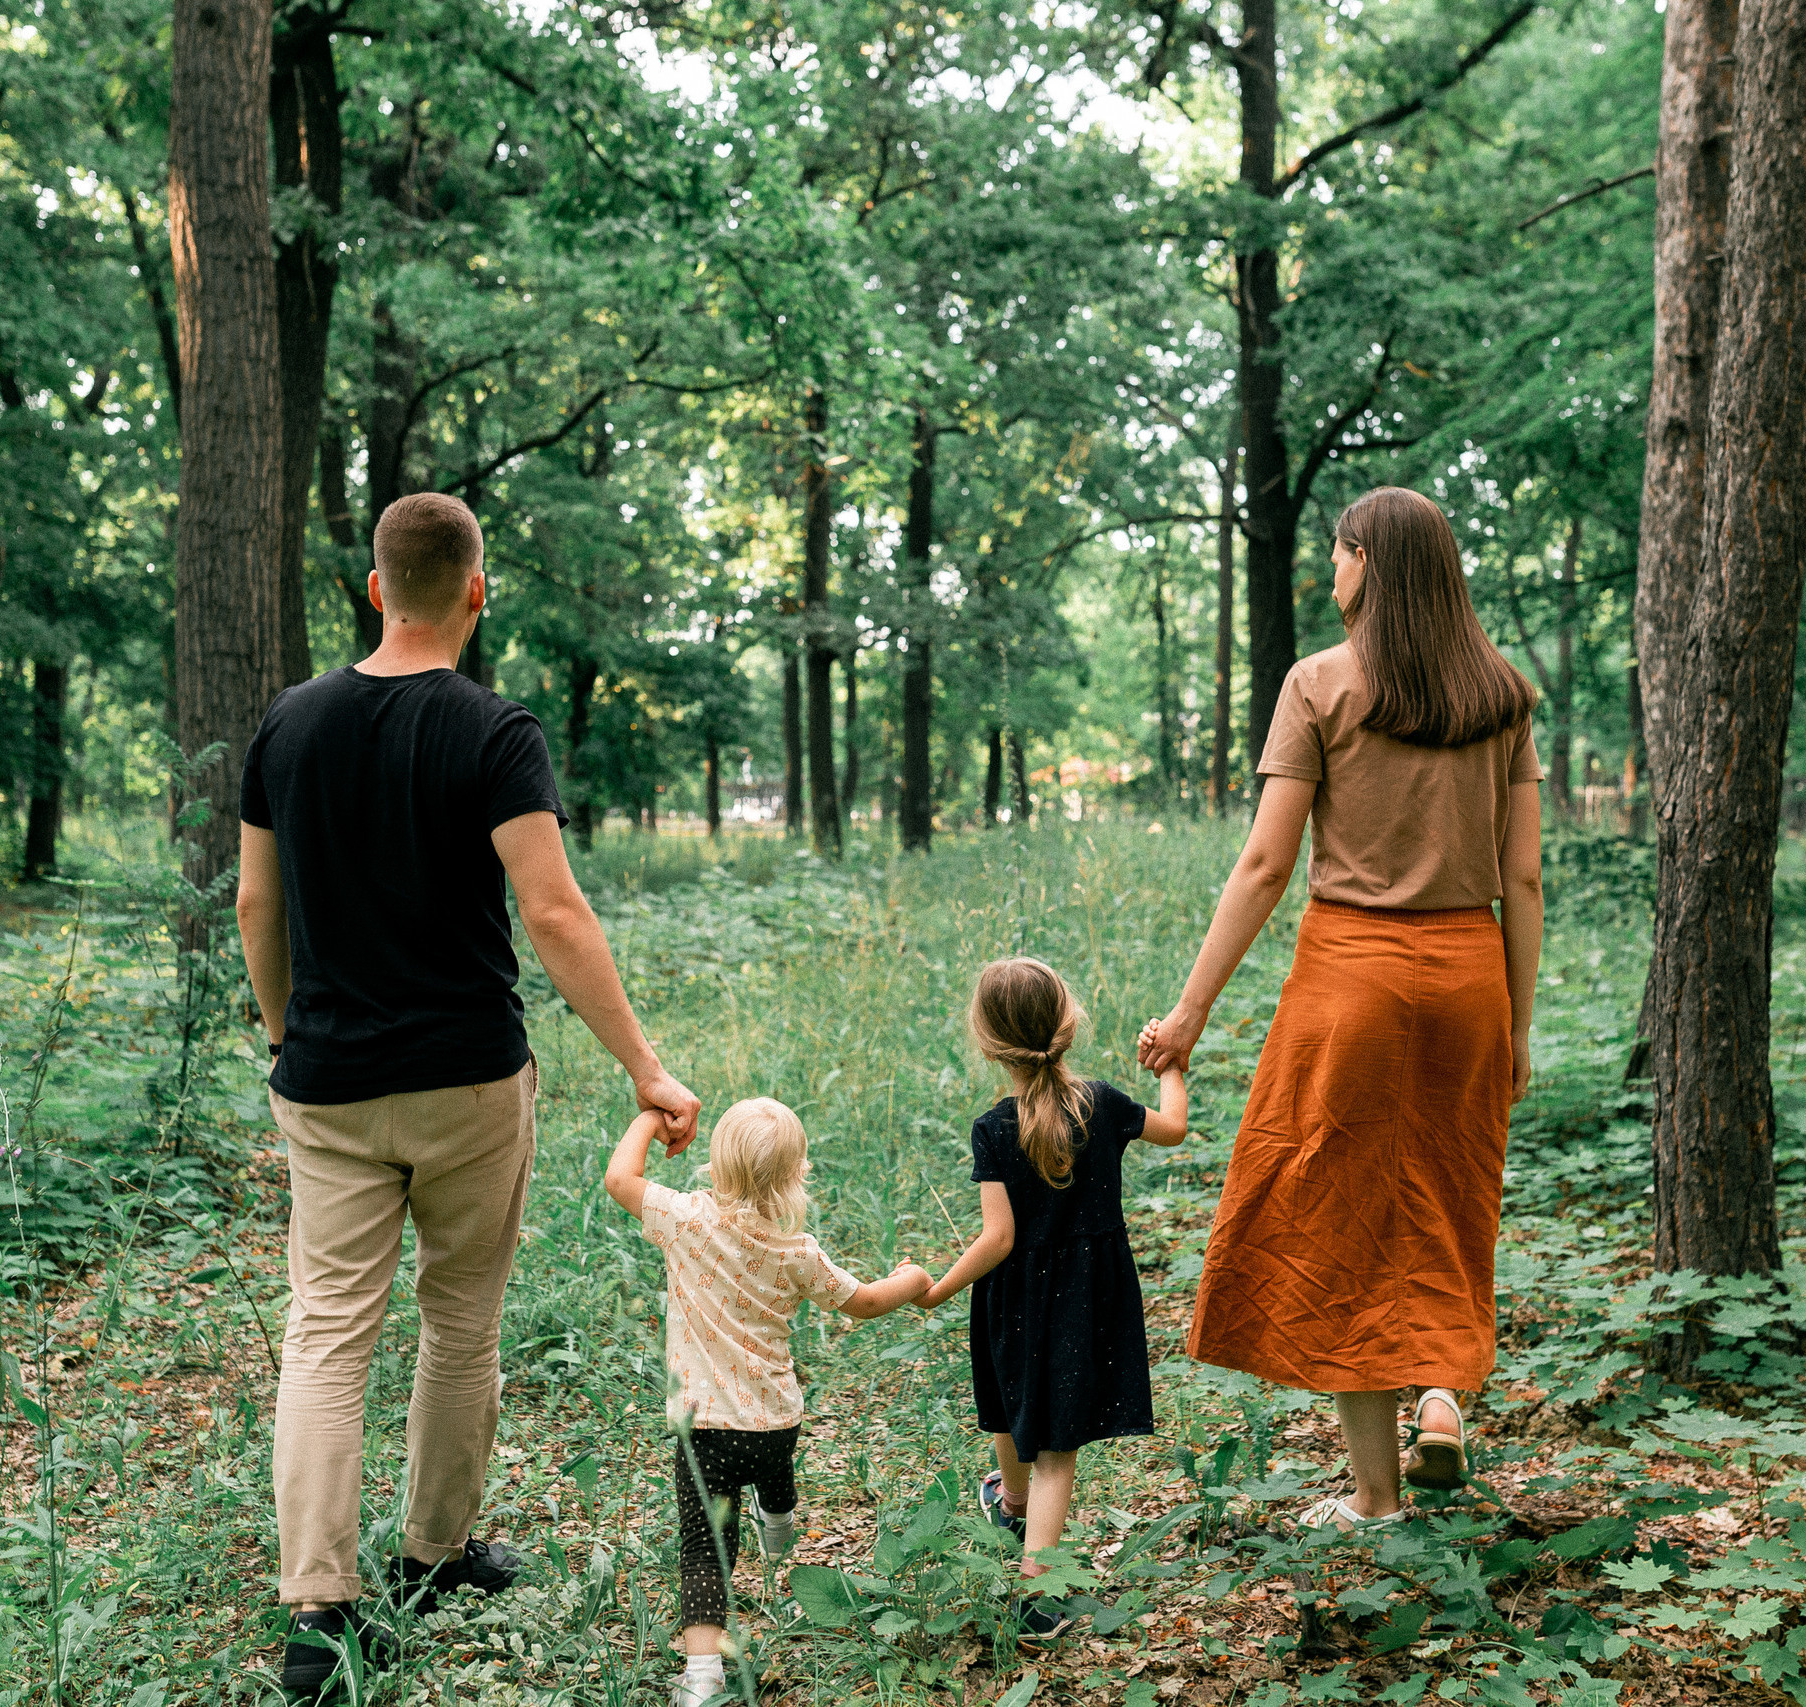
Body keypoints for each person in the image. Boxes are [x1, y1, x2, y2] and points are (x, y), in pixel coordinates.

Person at [235, 491, 701, 1698]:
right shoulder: (498, 732)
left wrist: (293, 1038)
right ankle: (433, 1556)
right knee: (459, 1322)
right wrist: (646, 1067)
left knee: (327, 1335)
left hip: (327, 1086)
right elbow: (551, 910)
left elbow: (255, 905)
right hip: (468, 1084)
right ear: (477, 593)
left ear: (375, 589)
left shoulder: (286, 725)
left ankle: (318, 1615)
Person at [1139, 485, 1543, 1531]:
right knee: (1452, 1199)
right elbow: (1525, 881)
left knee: (1347, 1224)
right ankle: (1444, 1396)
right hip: (1469, 984)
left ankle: (1374, 1496)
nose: (1329, 570)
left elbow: (1267, 862)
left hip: (1349, 978)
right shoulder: (1501, 693)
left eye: (1337, 552)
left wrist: (1188, 1014)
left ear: (1369, 562)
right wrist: (1519, 1028)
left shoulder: (1318, 684)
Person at [603, 1097, 930, 1707]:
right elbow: (862, 1302)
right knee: (775, 1475)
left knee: (705, 1546)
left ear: (714, 1168)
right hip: (777, 1418)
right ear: (797, 1175)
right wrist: (911, 1281)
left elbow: (620, 1177)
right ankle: (777, 1523)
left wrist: (652, 1119)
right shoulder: (797, 1252)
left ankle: (702, 1677)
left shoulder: (686, 1220)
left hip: (704, 1429)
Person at [919, 956, 1190, 1642]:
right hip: (1086, 1299)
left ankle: (1023, 1547)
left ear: (987, 1042)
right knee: (1057, 1447)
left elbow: (999, 1237)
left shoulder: (993, 1128)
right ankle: (1028, 1560)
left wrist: (942, 1286)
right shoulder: (1103, 1102)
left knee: (1014, 1406)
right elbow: (1176, 1127)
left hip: (1013, 1298)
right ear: (1068, 1023)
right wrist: (1170, 1067)